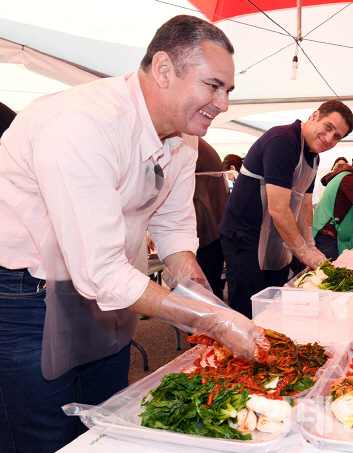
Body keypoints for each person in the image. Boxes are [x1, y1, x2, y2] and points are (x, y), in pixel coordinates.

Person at [0, 15, 270, 453]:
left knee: (105, 421)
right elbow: (101, 271)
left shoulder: (183, 138)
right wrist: (212, 320)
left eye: (228, 91)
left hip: (111, 291)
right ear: (164, 69)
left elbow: (172, 223)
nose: (222, 104)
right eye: (213, 86)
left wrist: (197, 288)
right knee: (42, 434)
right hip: (26, 293)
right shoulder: (83, 122)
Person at [219, 100, 353, 318]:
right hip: (245, 236)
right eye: (328, 127)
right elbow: (279, 209)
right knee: (248, 308)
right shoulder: (283, 141)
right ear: (314, 116)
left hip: (275, 237)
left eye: (337, 136)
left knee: (273, 305)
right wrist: (302, 252)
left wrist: (310, 245)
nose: (330, 138)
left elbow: (304, 207)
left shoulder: (313, 157)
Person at [194, 138, 229, 300]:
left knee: (203, 285)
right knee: (213, 283)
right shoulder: (199, 144)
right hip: (216, 220)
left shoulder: (187, 141)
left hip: (204, 222)